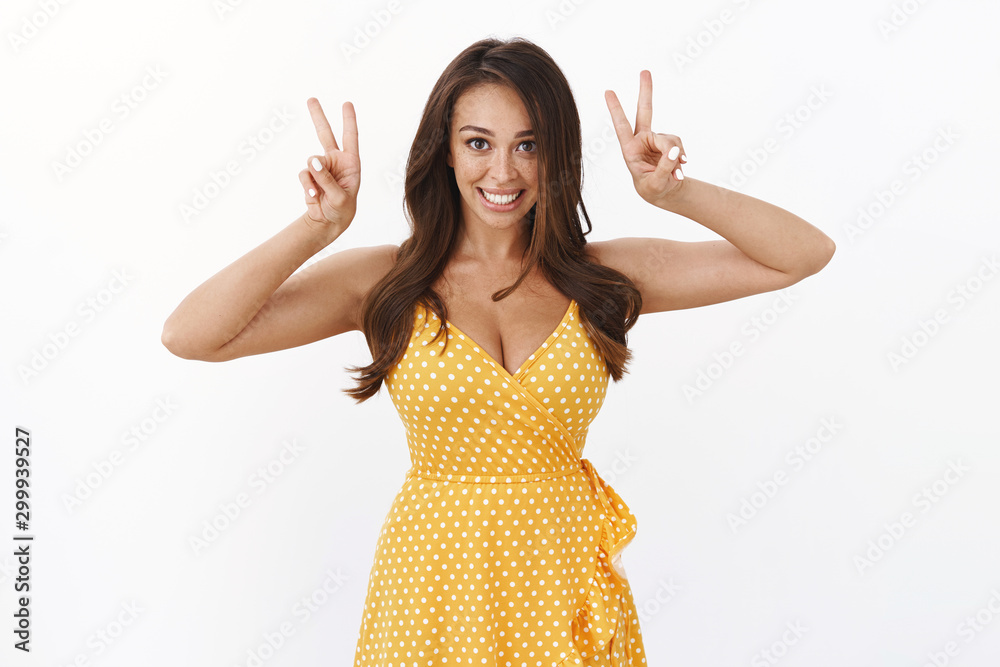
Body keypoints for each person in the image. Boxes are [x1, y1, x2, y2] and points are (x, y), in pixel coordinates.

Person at [162, 36, 834, 666]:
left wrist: (673, 191)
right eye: (479, 142)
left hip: (562, 589)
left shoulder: (603, 278)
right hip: (430, 591)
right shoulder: (383, 282)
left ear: (556, 156)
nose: (503, 171)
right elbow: (191, 334)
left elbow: (803, 255)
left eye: (529, 145)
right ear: (446, 151)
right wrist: (316, 228)